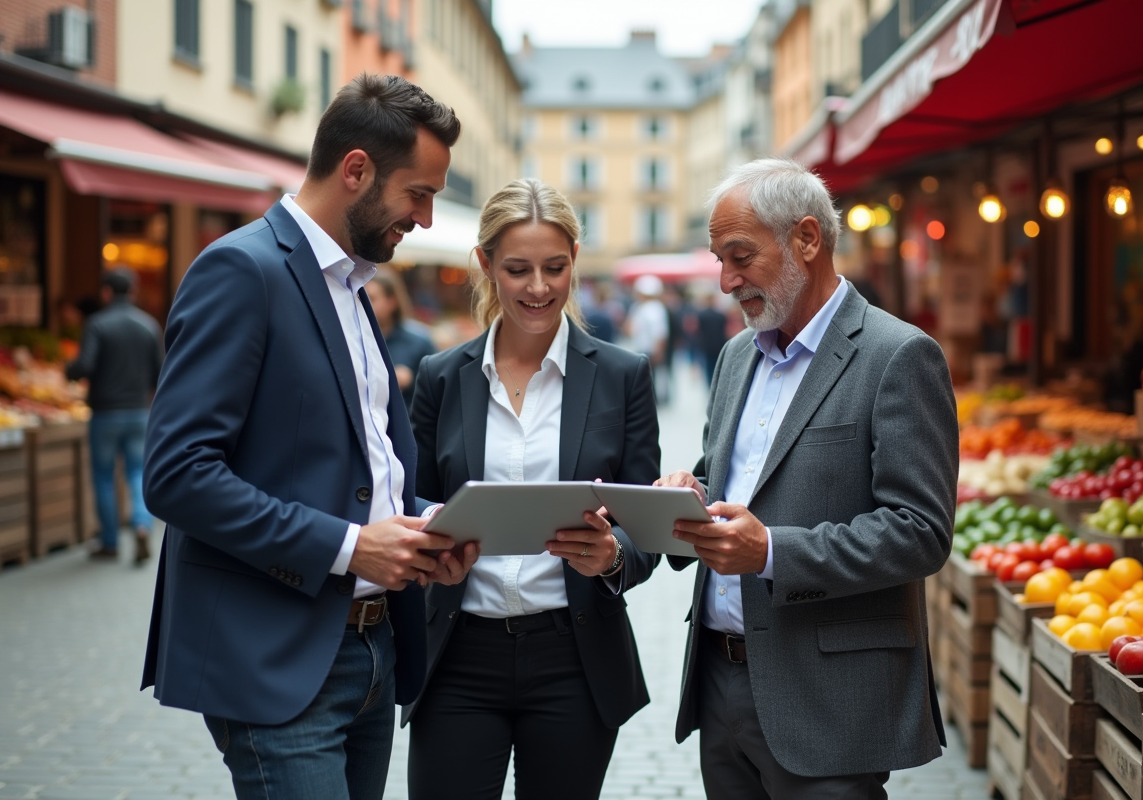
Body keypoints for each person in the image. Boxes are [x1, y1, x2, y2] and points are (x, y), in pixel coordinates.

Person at [139, 75, 478, 800]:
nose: (422, 218)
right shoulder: (241, 269)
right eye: (417, 193)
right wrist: (355, 546)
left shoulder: (354, 289)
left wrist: (421, 530)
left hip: (373, 647)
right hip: (277, 660)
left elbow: (355, 468)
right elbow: (177, 475)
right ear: (356, 169)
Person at [658, 158, 957, 799]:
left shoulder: (899, 355)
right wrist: (693, 498)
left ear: (806, 239)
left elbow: (921, 533)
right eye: (718, 259)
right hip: (721, 683)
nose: (724, 280)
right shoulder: (739, 354)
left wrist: (771, 551)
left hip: (827, 704)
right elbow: (733, 483)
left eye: (739, 256)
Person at [403, 178, 662, 800]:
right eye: (518, 269)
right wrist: (434, 521)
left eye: (555, 267)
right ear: (487, 265)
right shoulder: (442, 376)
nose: (539, 288)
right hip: (457, 656)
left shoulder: (623, 376)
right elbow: (405, 497)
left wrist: (616, 554)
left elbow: (646, 525)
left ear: (575, 259)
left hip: (573, 657)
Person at [65, 267, 163, 564]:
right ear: (132, 292)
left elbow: (85, 365)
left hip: (105, 413)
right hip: (138, 413)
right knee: (137, 473)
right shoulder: (149, 325)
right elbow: (160, 373)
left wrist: (69, 369)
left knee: (104, 476)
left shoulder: (97, 324)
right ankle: (143, 527)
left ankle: (109, 542)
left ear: (107, 292)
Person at [365, 265, 436, 408]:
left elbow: (437, 387)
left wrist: (411, 379)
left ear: (392, 302)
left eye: (371, 299)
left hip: (407, 424)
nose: (365, 304)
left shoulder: (419, 341)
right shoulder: (353, 339)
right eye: (361, 298)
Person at [626, 274, 670, 403]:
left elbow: (660, 333)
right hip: (640, 348)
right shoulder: (638, 307)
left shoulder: (654, 308)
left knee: (649, 379)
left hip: (649, 350)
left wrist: (659, 351)